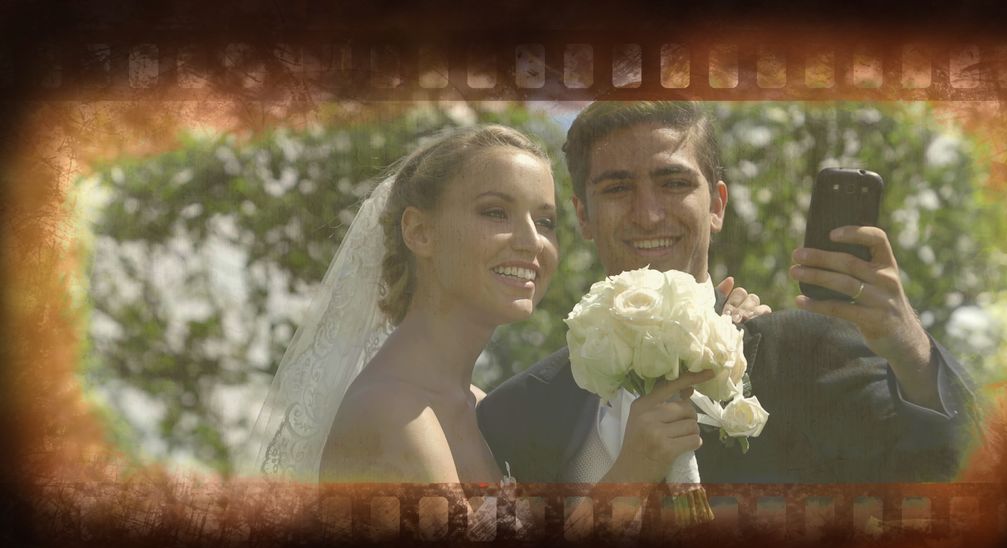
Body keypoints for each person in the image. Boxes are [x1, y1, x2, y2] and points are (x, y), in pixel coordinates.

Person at [476, 102, 981, 486]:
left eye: (673, 182)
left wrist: (908, 347)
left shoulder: (808, 352)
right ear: (583, 214)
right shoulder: (517, 412)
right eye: (617, 188)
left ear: (716, 205)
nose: (648, 213)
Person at [245, 123, 770, 485]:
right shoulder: (392, 414)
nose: (531, 242)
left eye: (544, 222)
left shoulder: (478, 404)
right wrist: (628, 477)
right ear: (419, 231)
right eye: (495, 212)